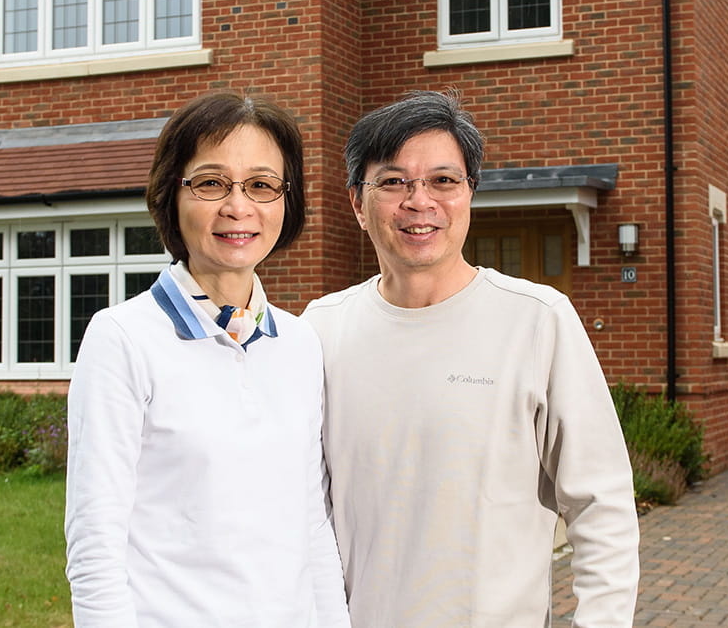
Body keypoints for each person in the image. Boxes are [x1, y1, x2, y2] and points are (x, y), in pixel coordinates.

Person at [301, 90, 640, 627]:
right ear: (356, 203)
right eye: (393, 182)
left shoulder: (536, 320)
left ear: (469, 194)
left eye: (443, 180)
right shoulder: (320, 329)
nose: (419, 201)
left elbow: (603, 506)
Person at [64, 91, 347, 627]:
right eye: (212, 182)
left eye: (262, 185)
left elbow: (311, 523)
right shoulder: (123, 338)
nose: (238, 207)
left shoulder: (300, 343)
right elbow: (96, 541)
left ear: (287, 202)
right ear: (172, 194)